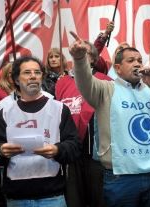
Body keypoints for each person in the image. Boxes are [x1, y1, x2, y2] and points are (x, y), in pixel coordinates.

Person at [69, 32, 150, 206]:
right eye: (130, 61)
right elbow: (84, 81)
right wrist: (80, 59)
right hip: (121, 177)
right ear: (117, 68)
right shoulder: (106, 89)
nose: (137, 64)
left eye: (139, 60)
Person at [0, 56, 82, 206]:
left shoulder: (59, 109)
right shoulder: (5, 111)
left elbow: (75, 146)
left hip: (52, 196)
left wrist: (57, 150)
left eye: (37, 72)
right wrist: (1, 151)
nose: (33, 76)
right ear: (16, 80)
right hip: (16, 197)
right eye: (27, 72)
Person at [55, 41, 111, 207]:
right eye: (76, 52)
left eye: (84, 52)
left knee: (97, 198)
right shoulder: (62, 82)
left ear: (93, 58)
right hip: (70, 149)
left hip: (96, 152)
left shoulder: (105, 80)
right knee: (74, 199)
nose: (79, 53)